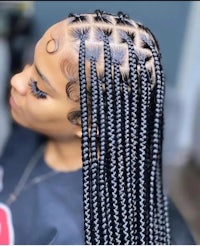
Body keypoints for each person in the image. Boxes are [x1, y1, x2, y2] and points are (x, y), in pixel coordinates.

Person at [0, 10, 195, 245]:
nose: (17, 80)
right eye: (31, 63)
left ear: (89, 124)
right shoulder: (28, 128)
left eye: (39, 89)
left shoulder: (78, 231)